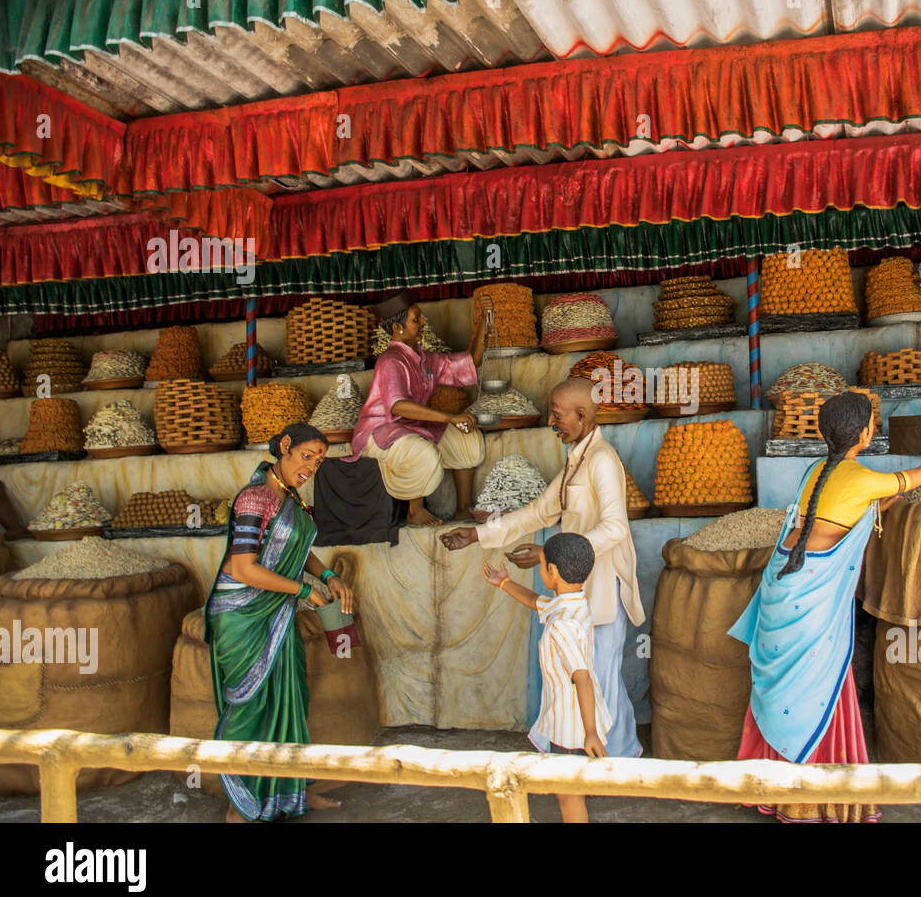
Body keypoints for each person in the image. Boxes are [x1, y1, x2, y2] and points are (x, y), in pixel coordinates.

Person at [729, 392, 921, 823]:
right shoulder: (861, 478)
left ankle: (776, 787)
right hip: (809, 604)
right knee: (820, 687)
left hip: (782, 589)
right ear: (864, 433)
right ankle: (812, 798)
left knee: (791, 690)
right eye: (871, 423)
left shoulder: (816, 470)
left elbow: (842, 512)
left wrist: (885, 500)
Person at [441, 377, 646, 758]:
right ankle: (606, 757)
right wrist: (476, 534)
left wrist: (551, 554)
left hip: (601, 587)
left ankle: (618, 761)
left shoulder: (602, 460)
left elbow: (616, 527)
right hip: (574, 584)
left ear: (582, 416)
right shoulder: (575, 461)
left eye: (557, 414)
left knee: (601, 681)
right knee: (591, 680)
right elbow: (538, 512)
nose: (552, 422)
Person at [205, 423, 356, 823]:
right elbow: (242, 568)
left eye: (319, 462)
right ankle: (242, 805)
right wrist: (303, 592)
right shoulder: (254, 499)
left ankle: (292, 793)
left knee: (290, 699)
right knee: (251, 708)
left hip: (277, 612)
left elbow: (299, 550)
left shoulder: (289, 499)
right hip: (242, 615)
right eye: (307, 456)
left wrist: (328, 577)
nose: (312, 467)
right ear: (284, 447)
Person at [481, 532, 611, 823]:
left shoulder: (562, 624)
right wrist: (504, 582)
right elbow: (535, 601)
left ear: (551, 572)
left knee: (567, 794)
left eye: (541, 565)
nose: (540, 571)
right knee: (568, 787)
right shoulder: (574, 603)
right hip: (578, 719)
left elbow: (582, 678)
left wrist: (590, 732)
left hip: (572, 725)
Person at [349, 290, 489, 525]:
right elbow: (399, 406)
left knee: (466, 437)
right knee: (422, 451)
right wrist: (449, 417)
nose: (423, 323)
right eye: (416, 319)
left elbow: (469, 362)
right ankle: (414, 510)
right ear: (397, 328)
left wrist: (485, 318)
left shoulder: (424, 359)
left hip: (411, 426)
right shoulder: (390, 361)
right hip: (380, 433)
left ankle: (463, 507)